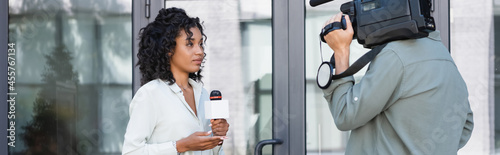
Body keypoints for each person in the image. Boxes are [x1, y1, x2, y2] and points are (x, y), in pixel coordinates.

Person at [322, 12, 474, 154]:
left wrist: (341, 50)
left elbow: (345, 115)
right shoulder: (442, 55)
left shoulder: (395, 55)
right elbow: (465, 125)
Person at [122, 7, 229, 155]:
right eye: (190, 44)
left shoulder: (202, 94)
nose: (200, 51)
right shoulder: (150, 94)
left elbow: (213, 152)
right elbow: (131, 152)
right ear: (168, 49)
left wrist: (217, 138)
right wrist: (180, 146)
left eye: (201, 44)